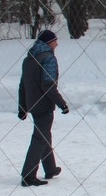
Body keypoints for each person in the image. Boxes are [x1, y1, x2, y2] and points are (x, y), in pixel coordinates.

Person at [17, 29, 69, 187]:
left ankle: (51, 168)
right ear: (48, 42)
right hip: (44, 105)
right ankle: (28, 175)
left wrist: (23, 107)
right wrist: (62, 104)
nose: (57, 44)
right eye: (55, 41)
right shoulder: (48, 59)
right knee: (39, 138)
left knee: (43, 134)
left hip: (33, 104)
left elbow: (23, 86)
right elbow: (48, 84)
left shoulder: (29, 59)